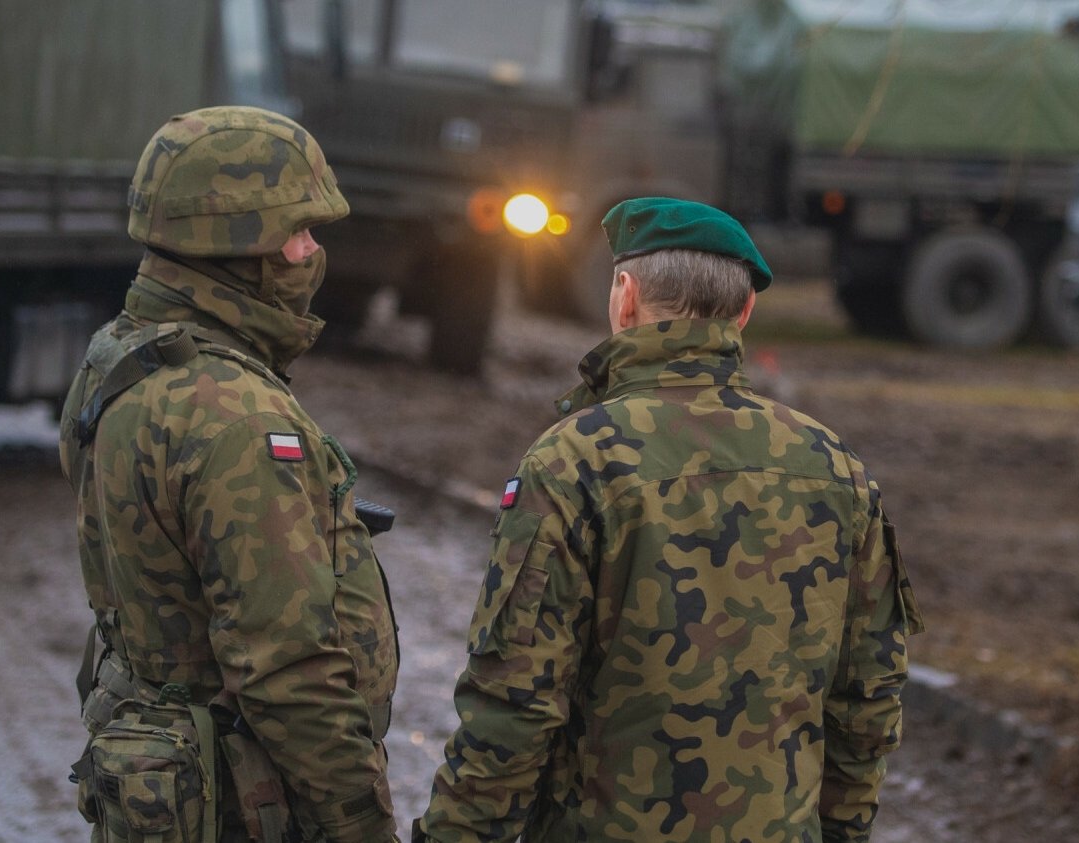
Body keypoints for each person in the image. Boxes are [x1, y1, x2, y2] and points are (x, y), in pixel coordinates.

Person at [415, 197, 923, 843]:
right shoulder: (833, 465)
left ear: (624, 297)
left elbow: (515, 700)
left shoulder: (576, 459)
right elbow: (868, 697)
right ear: (744, 311)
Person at [59, 106, 399, 842]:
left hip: (168, 785)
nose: (312, 252)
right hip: (240, 802)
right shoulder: (234, 413)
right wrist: (358, 826)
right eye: (298, 232)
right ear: (236, 241)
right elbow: (285, 667)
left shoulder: (120, 355)